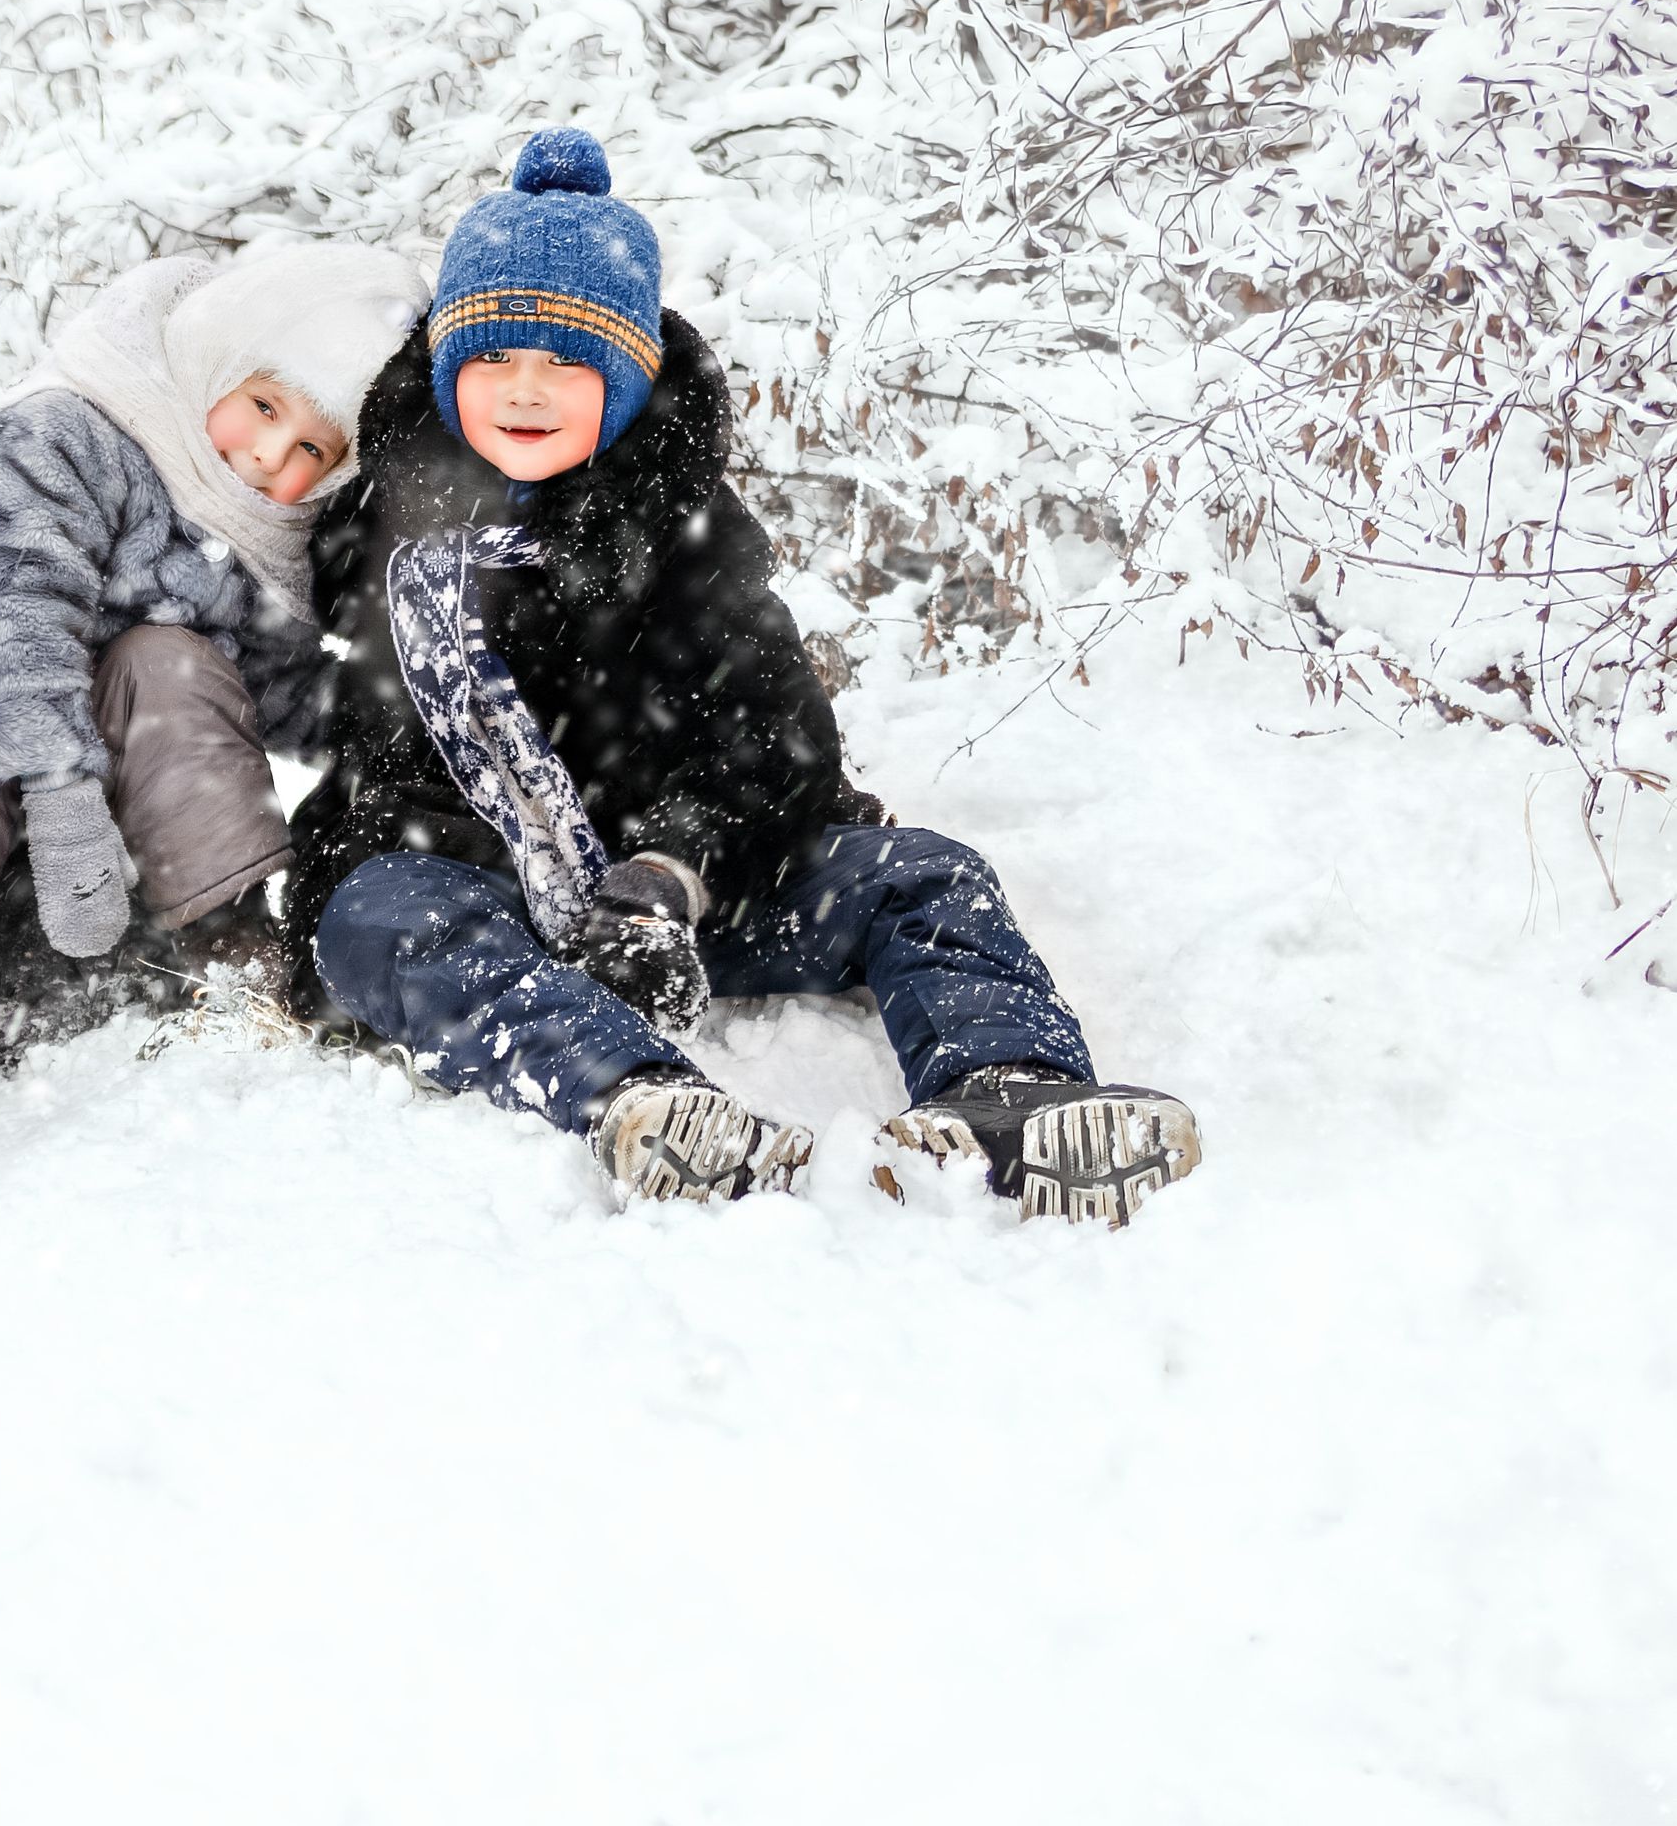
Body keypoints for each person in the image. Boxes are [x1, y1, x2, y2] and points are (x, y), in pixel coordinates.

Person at [292, 129, 1202, 1224]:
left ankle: (1007, 1086)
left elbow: (774, 740)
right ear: (444, 370)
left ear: (624, 386)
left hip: (683, 901)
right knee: (376, 913)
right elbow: (374, 764)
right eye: (489, 358)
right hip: (488, 899)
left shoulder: (685, 538)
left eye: (564, 363)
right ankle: (637, 1099)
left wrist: (666, 873)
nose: (521, 390)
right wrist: (458, 865)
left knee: (918, 873)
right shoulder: (378, 541)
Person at [0, 241, 424, 1162]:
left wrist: (401, 724)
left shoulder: (264, 536)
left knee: (176, 670)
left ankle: (237, 959)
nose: (266, 457)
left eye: (309, 451)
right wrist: (58, 793)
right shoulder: (73, 428)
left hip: (124, 726)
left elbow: (274, 688)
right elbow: (11, 609)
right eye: (262, 407)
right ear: (223, 360)